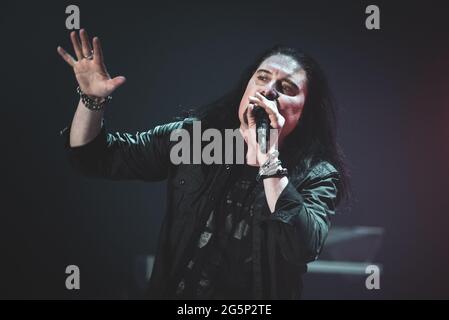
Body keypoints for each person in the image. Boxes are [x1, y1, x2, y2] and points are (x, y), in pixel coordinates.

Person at [57, 29, 350, 299]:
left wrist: (268, 156)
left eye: (286, 87)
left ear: (304, 112)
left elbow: (302, 246)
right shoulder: (194, 140)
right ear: (246, 88)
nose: (269, 90)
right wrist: (91, 100)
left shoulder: (316, 174)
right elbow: (93, 158)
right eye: (262, 78)